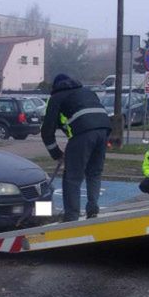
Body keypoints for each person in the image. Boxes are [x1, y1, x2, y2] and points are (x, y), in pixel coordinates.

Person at [41, 73, 111, 221]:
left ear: (55, 87)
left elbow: (47, 131)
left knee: (72, 177)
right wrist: (73, 140)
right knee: (94, 172)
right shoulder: (86, 92)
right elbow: (78, 118)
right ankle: (92, 209)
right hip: (104, 129)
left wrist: (56, 153)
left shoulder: (56, 97)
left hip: (84, 133)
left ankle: (71, 217)